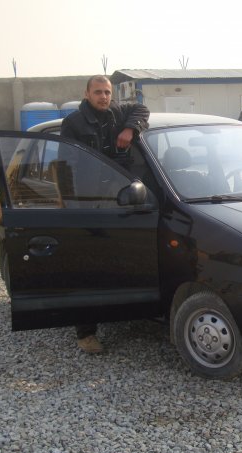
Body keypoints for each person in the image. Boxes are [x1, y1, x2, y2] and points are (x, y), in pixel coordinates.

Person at [60, 75, 150, 354]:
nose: (103, 97)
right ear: (86, 94)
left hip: (119, 202)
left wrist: (130, 130)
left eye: (107, 92)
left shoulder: (118, 114)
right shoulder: (72, 124)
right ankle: (86, 333)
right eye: (98, 92)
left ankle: (126, 314)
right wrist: (69, 206)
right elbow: (64, 166)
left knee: (118, 262)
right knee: (87, 269)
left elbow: (142, 110)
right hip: (86, 203)